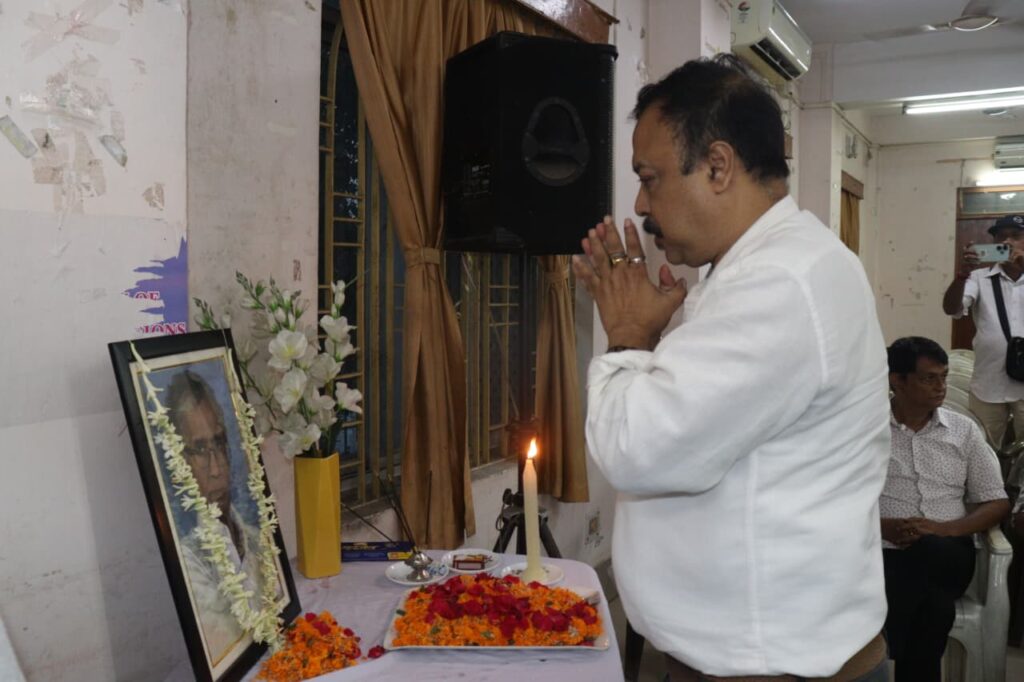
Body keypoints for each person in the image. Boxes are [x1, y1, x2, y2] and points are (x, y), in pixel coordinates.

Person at [572, 55, 891, 681]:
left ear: (718, 166)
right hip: (751, 655)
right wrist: (650, 343)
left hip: (769, 666)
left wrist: (629, 335)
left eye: (650, 178)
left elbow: (638, 449)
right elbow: (704, 427)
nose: (640, 203)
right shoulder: (761, 268)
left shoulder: (780, 282)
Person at [881, 336, 1009, 681]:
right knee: (936, 608)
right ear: (897, 380)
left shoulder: (963, 431)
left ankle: (888, 644)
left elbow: (996, 501)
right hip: (884, 552)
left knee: (929, 548)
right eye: (928, 378)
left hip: (949, 552)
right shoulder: (867, 431)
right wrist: (883, 527)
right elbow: (840, 498)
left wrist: (942, 529)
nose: (941, 387)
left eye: (944, 377)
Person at [166, 369, 277, 664]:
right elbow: (223, 641)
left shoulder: (257, 538)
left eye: (218, 443)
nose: (216, 469)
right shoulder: (189, 562)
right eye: (200, 449)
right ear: (179, 463)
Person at [942, 214, 1024, 449]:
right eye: (1001, 237)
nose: (1007, 242)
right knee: (983, 449)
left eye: (1016, 236)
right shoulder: (978, 278)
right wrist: (962, 274)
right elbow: (951, 309)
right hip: (989, 382)